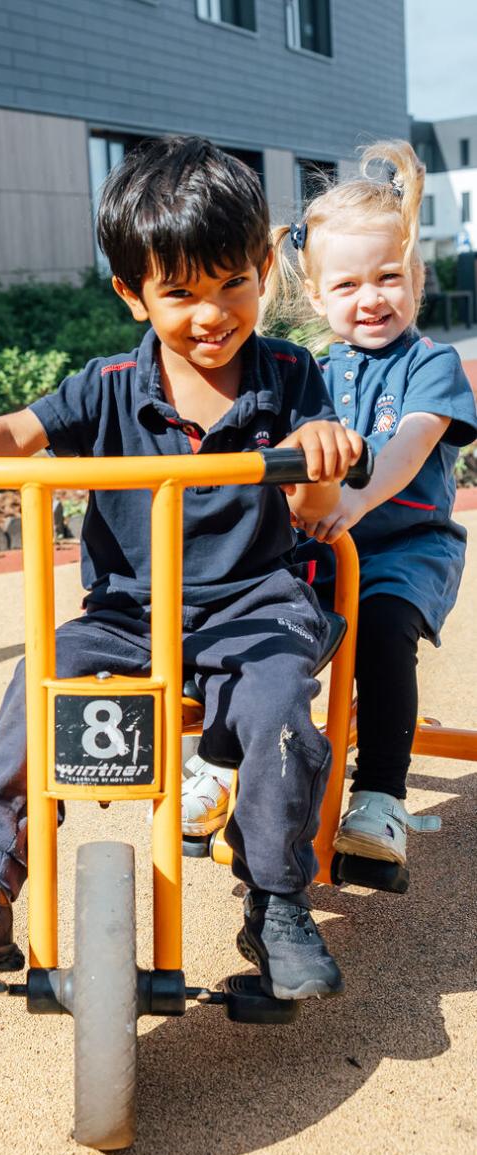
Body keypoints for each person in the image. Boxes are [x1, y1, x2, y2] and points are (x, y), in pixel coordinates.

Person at [0, 136, 363, 1001]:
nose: (212, 314)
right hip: (129, 613)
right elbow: (18, 434)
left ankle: (276, 900)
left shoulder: (290, 376)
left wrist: (317, 457)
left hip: (256, 604)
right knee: (41, 678)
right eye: (181, 294)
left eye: (233, 284)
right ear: (134, 293)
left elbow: (318, 512)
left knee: (280, 703)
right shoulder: (106, 386)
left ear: (264, 265)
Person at [262, 140, 477, 874]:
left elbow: (411, 446)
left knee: (383, 630)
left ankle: (380, 794)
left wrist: (352, 498)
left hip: (404, 547)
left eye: (389, 277)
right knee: (260, 627)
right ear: (318, 297)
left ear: (416, 277)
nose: (372, 297)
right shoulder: (309, 371)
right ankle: (236, 766)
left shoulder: (433, 365)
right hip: (322, 545)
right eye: (349, 284)